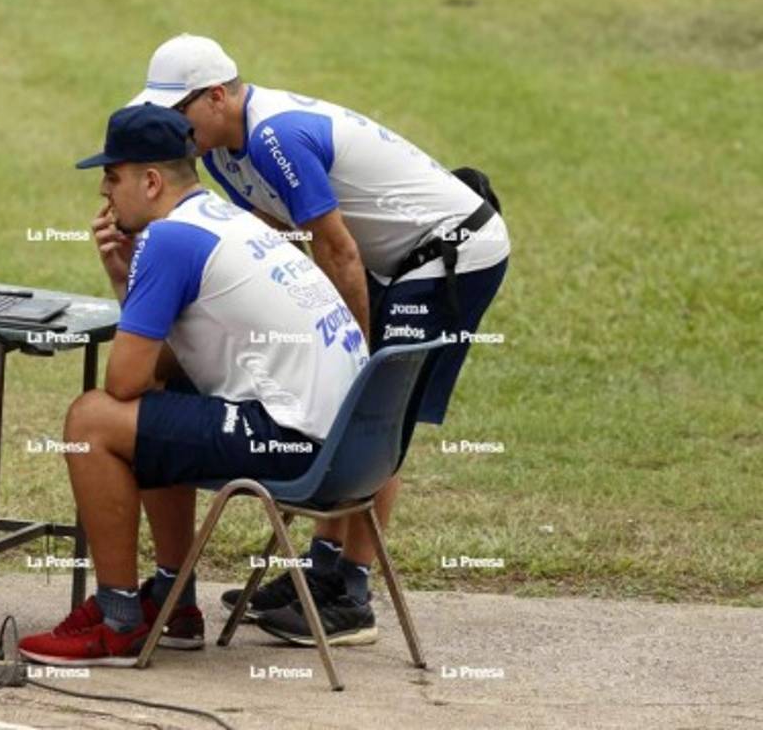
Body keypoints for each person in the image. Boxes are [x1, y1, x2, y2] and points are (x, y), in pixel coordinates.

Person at [126, 34, 510, 644]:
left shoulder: (274, 136)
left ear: (218, 97)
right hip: (396, 257)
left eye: (178, 111)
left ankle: (351, 593)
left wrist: (353, 354)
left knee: (378, 411)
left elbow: (337, 249)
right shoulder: (222, 151)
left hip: (451, 251)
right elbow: (283, 237)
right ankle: (322, 570)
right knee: (350, 408)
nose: (170, 125)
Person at [17, 104, 369, 666]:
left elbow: (126, 380)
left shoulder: (171, 240)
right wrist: (125, 277)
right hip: (353, 448)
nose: (106, 195)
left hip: (300, 446)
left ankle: (118, 618)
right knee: (163, 408)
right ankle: (172, 602)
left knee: (92, 419)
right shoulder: (223, 218)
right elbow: (161, 372)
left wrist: (132, 277)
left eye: (112, 177)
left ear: (151, 181)